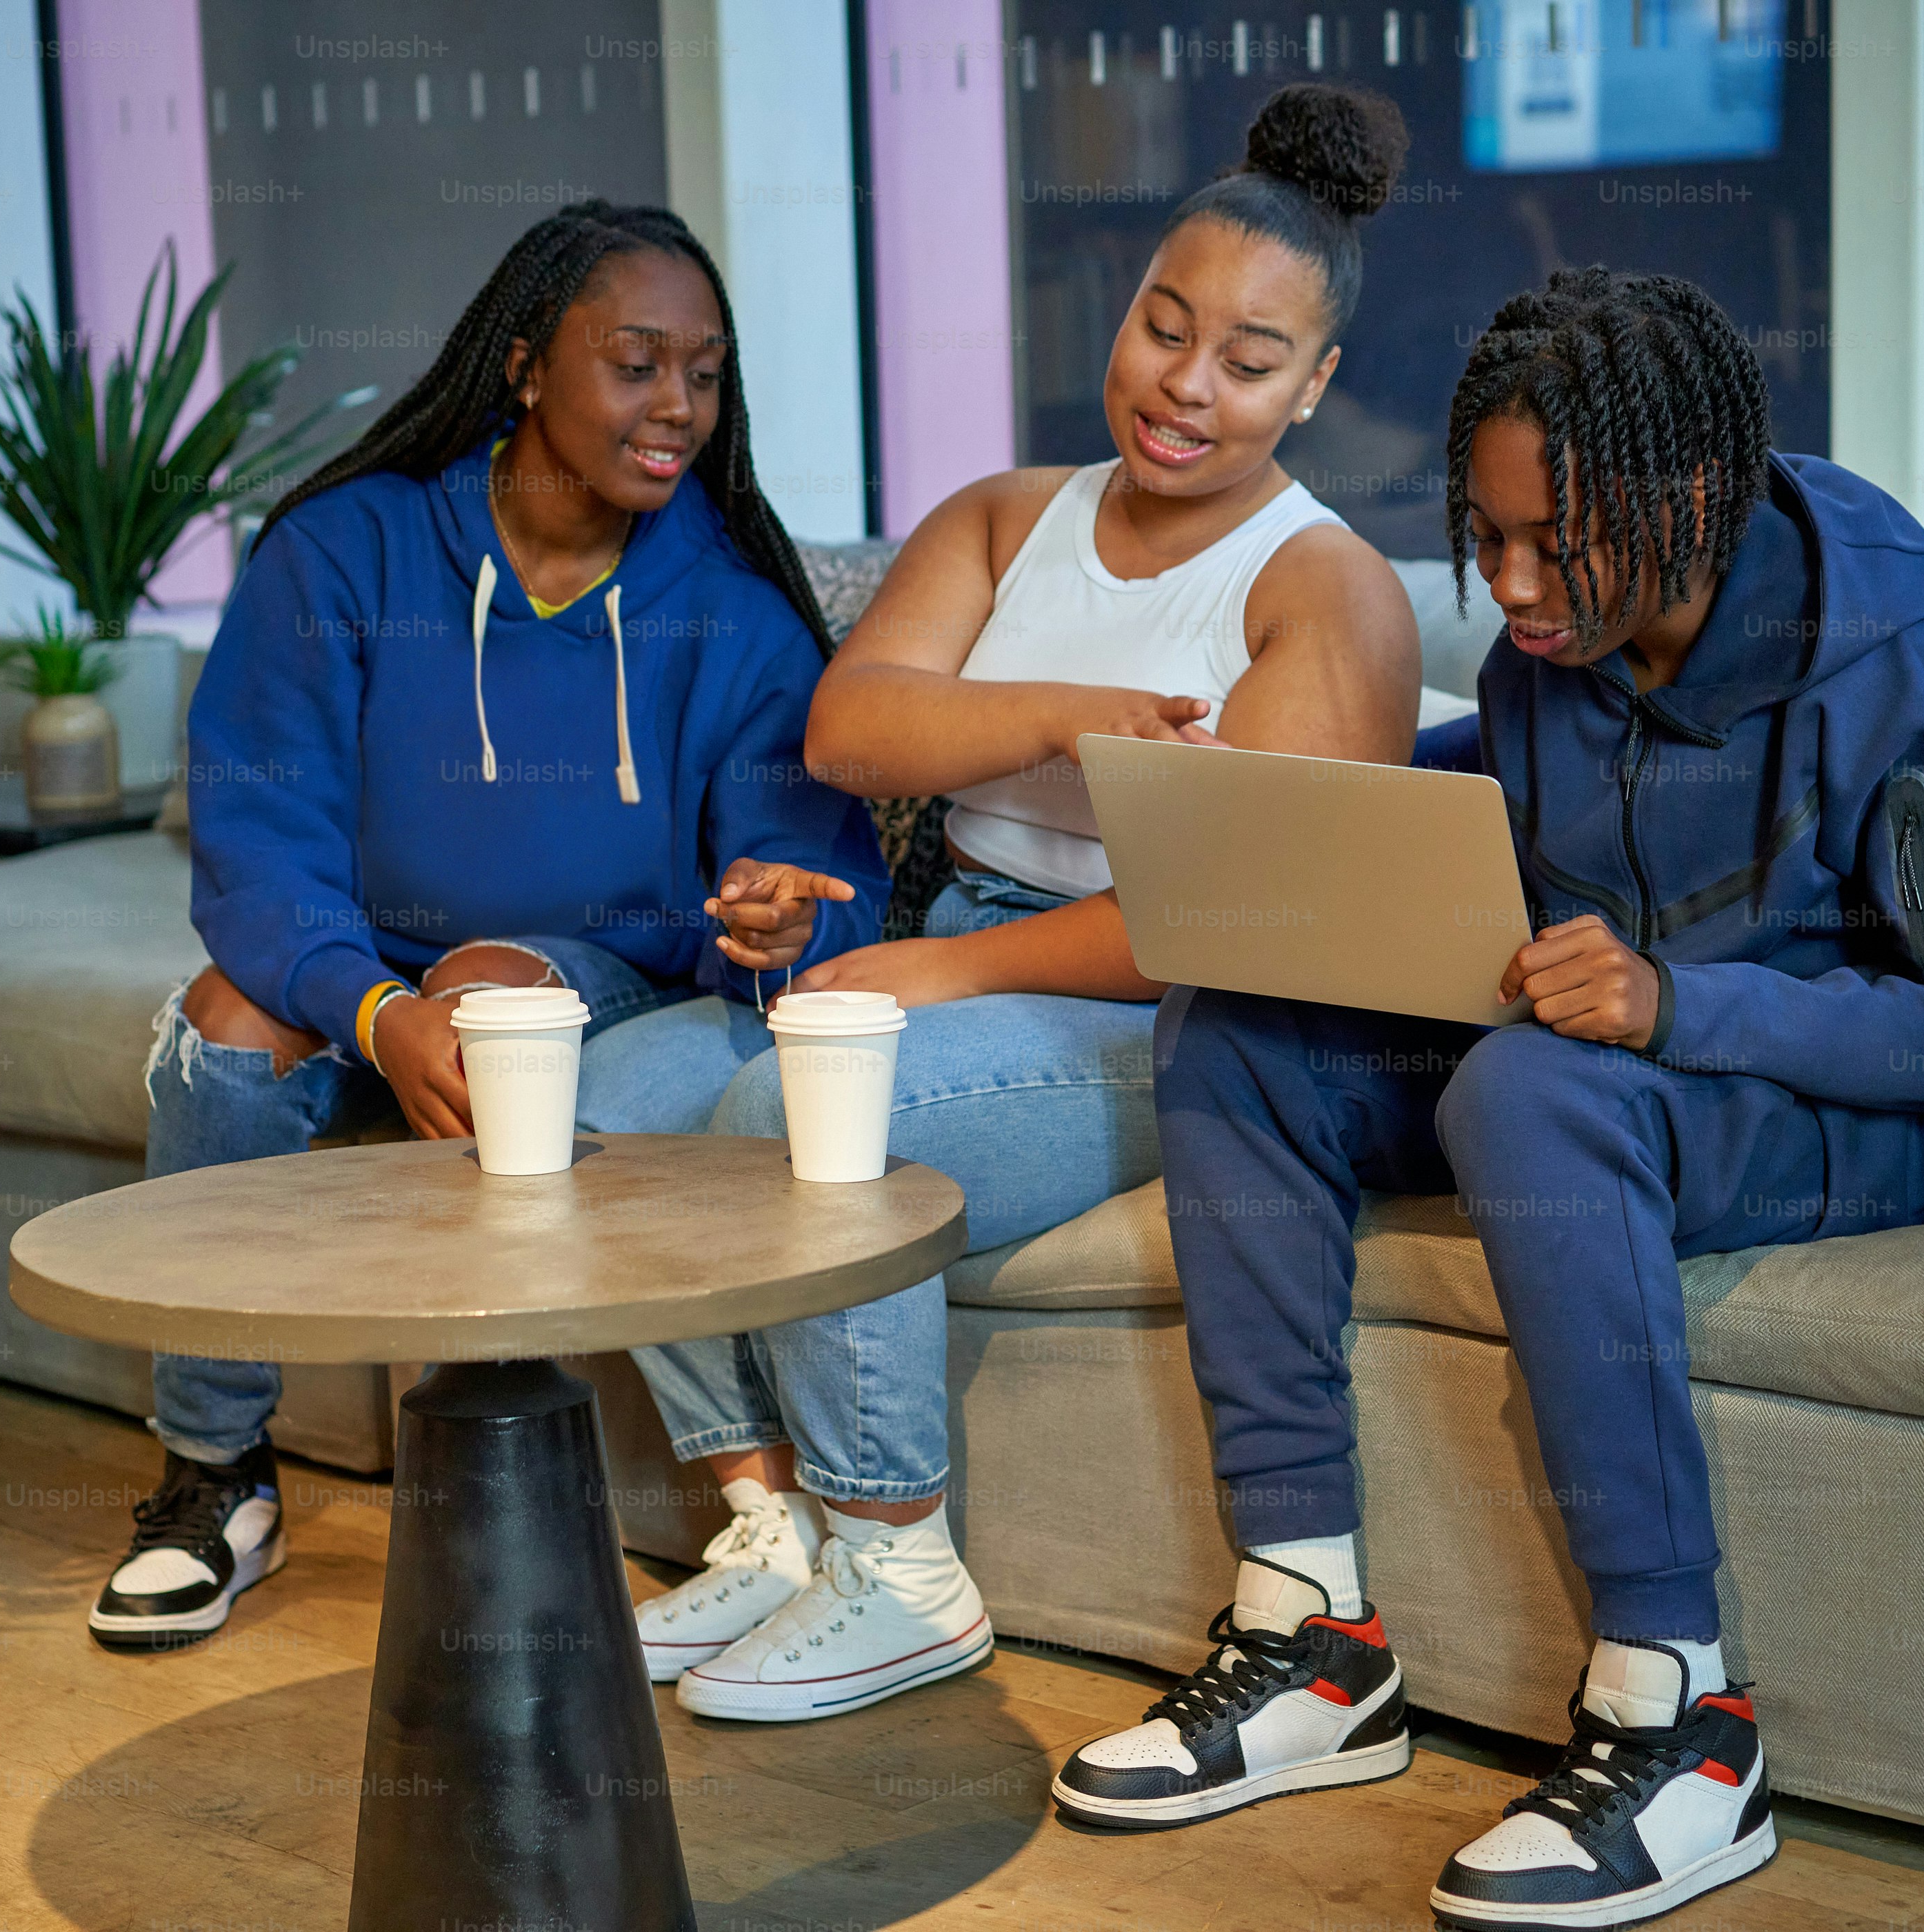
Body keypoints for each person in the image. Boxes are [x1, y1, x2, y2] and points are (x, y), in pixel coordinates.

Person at [1052, 268, 1924, 1928]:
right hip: (1618, 1071)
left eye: (1552, 545)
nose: (1510, 591)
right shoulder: (1554, 644)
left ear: (1685, 500)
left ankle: (1686, 1718)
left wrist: (1678, 1004)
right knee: (1232, 1024)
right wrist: (1306, 835)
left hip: (1878, 1104)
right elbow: (1529, 845)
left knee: (1534, 1094)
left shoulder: (1888, 644)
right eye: (1486, 534)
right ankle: (1314, 1635)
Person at [609, 83, 1425, 1724]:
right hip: (964, 950)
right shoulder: (1005, 514)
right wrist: (1069, 714)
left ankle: (900, 1563)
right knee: (605, 1108)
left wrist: (942, 973)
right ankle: (769, 1522)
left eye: (1248, 360)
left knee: (804, 1096)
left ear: (1317, 383)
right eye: (1162, 326)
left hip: (1169, 1010)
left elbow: (1224, 925)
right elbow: (857, 721)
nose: (1184, 385)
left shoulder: (1321, 592)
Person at [91, 202, 887, 1651]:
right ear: (526, 366)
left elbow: (793, 859)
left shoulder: (734, 609)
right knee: (222, 1031)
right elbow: (260, 840)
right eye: (637, 365)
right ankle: (212, 1474)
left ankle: (495, 1476)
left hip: (588, 973)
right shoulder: (349, 553)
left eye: (704, 373)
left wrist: (766, 915)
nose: (679, 411)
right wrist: (367, 1009)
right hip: (368, 957)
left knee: (483, 990)